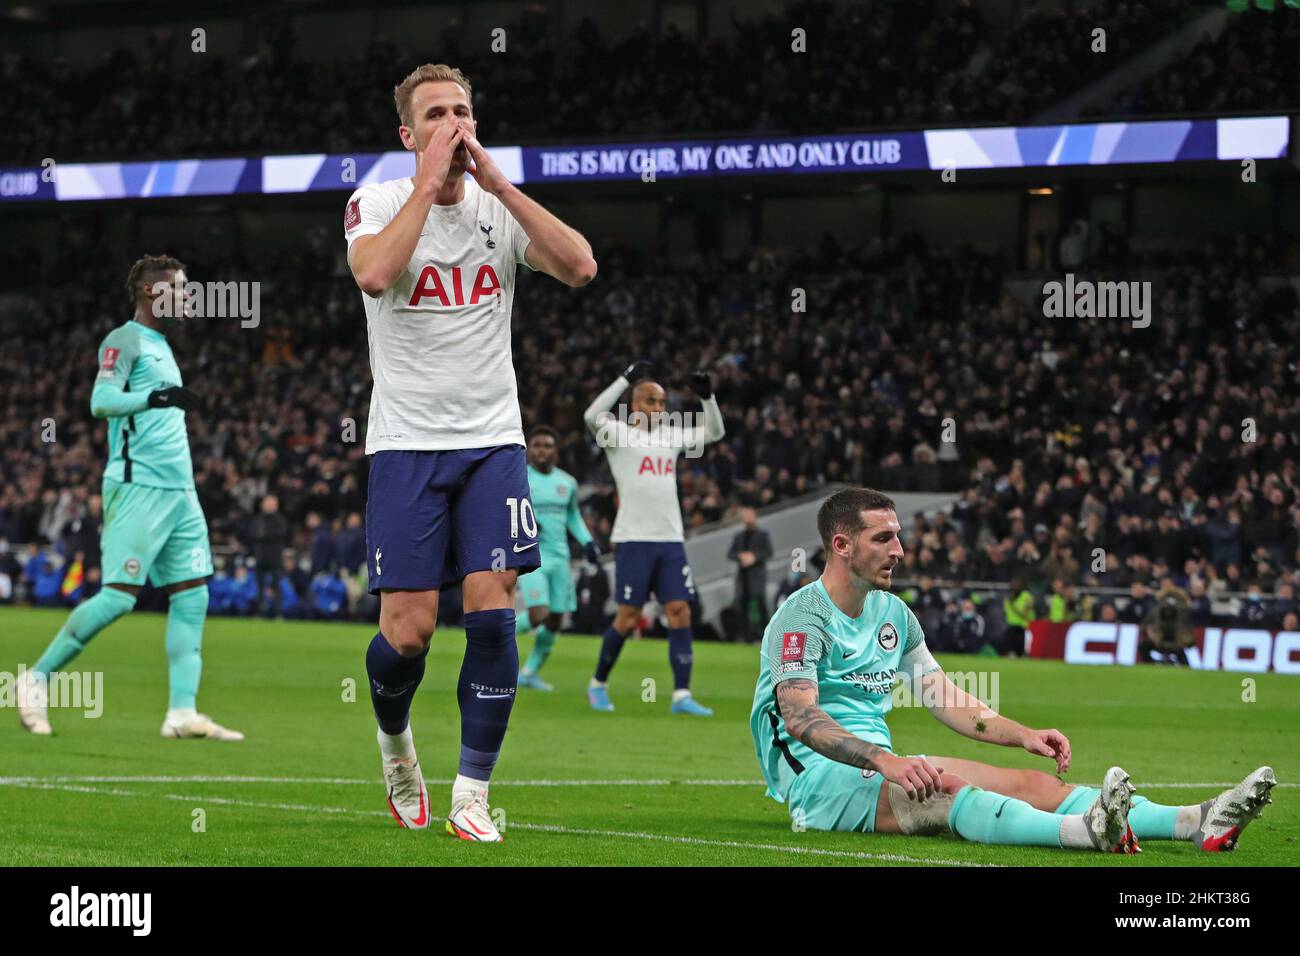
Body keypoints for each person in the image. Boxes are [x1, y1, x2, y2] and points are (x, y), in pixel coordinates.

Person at [344, 63, 597, 839]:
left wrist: (501, 183)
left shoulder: (497, 206)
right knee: (408, 634)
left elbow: (581, 266)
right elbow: (377, 272)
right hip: (406, 446)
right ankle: (396, 749)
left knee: (494, 616)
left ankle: (471, 792)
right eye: (436, 115)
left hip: (493, 442)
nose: (453, 124)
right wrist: (428, 184)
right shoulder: (379, 201)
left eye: (463, 111)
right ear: (409, 134)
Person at [749, 487, 1276, 852]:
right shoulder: (802, 618)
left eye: (898, 536)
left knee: (1029, 781)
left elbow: (945, 697)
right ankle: (1084, 833)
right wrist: (885, 760)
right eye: (883, 539)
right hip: (818, 784)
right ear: (841, 545)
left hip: (881, 765)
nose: (900, 550)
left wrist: (1021, 734)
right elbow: (800, 717)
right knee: (946, 793)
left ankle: (1196, 821)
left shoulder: (894, 614)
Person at [17, 255, 242, 741]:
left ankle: (182, 713)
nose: (186, 298)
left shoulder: (161, 344)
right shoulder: (124, 339)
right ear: (149, 293)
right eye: (179, 290)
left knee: (192, 594)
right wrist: (154, 398)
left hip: (180, 492)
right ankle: (35, 679)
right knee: (119, 599)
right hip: (137, 488)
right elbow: (101, 401)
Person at [582, 360, 725, 715]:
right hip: (633, 538)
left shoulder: (671, 436)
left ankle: (682, 696)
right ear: (634, 405)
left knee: (680, 612)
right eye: (650, 401)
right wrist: (624, 378)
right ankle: (597, 684)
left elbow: (715, 433)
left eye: (662, 403)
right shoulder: (618, 434)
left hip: (670, 539)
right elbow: (590, 415)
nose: (658, 408)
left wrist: (707, 397)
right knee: (628, 617)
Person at [517, 426, 599, 691]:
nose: (543, 450)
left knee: (555, 618)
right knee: (538, 613)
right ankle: (491, 637)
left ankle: (529, 672)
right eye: (538, 445)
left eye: (548, 446)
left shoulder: (567, 483)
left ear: (556, 451)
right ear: (529, 450)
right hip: (530, 556)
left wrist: (587, 542)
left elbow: (573, 515)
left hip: (559, 556)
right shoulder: (518, 479)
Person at [728, 507, 773, 643]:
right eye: (745, 516)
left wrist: (754, 557)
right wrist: (740, 556)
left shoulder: (763, 535)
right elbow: (731, 553)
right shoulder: (738, 536)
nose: (747, 519)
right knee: (742, 607)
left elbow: (768, 552)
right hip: (743, 578)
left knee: (761, 605)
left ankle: (767, 635)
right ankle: (746, 637)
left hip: (757, 576)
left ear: (755, 517)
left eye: (750, 516)